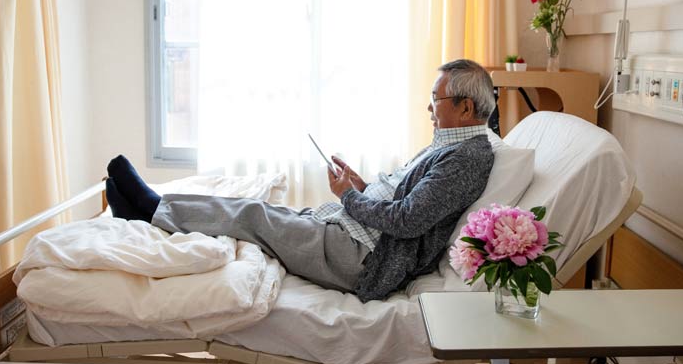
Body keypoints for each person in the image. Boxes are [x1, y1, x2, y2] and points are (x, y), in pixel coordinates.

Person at [106, 59, 495, 301]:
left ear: (464, 107)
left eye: (435, 99)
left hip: (363, 258)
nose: (428, 107)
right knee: (264, 212)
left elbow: (408, 220)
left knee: (253, 215)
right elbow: (404, 203)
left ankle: (151, 208)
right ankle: (151, 209)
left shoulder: (467, 157)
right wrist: (359, 187)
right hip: (354, 234)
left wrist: (348, 197)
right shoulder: (449, 146)